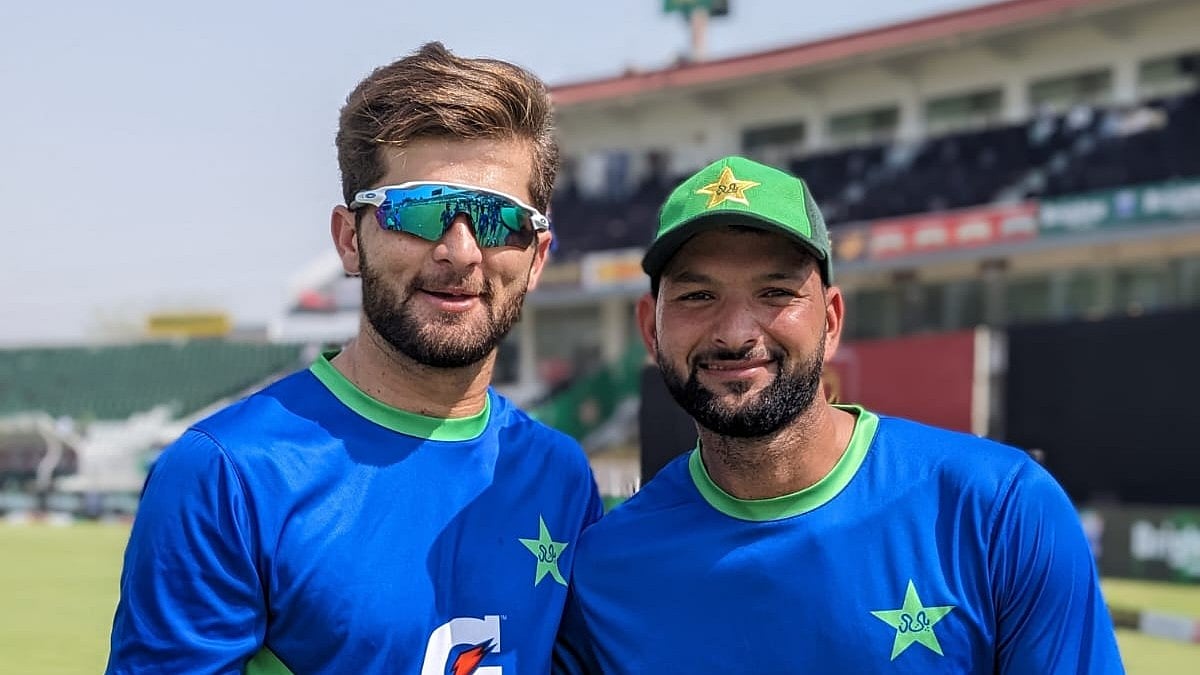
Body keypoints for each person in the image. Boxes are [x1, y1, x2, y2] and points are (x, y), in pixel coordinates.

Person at [107, 42, 603, 674]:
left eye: (497, 217)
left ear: (535, 257)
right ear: (349, 240)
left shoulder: (558, 473)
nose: (460, 251)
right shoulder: (229, 474)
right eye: (418, 211)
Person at [556, 156, 1124, 673]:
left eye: (775, 292)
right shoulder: (607, 567)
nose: (734, 333)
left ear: (830, 321)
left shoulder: (998, 509)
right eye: (697, 297)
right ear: (649, 332)